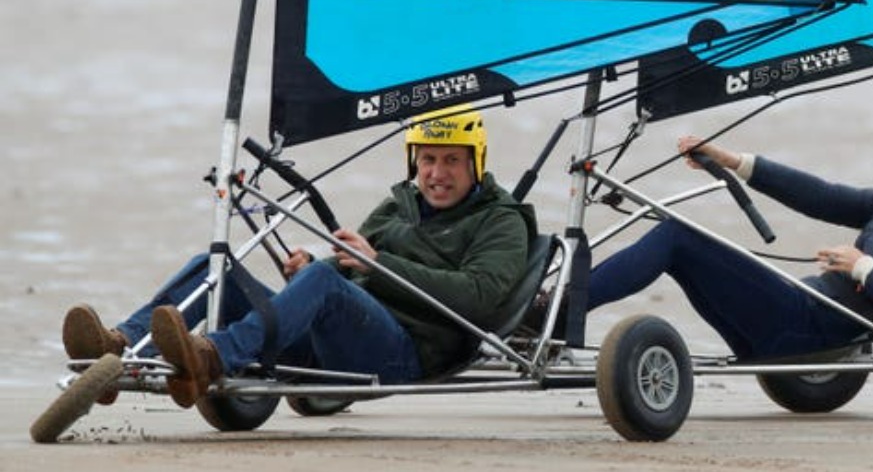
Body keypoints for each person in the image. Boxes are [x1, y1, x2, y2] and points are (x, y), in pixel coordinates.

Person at [61, 104, 537, 408]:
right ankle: (118, 347)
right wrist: (314, 269)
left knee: (327, 284)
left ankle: (213, 357)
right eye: (428, 160)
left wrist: (376, 264)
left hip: (404, 354)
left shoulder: (501, 220)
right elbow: (349, 272)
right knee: (216, 268)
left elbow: (480, 299)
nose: (437, 173)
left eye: (452, 160)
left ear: (476, 162)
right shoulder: (398, 206)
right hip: (331, 341)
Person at [587, 110, 873, 361]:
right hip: (796, 313)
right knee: (679, 239)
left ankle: (562, 308)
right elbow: (823, 197)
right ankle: (557, 310)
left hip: (803, 331)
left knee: (677, 237)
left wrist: (864, 267)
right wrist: (734, 160)